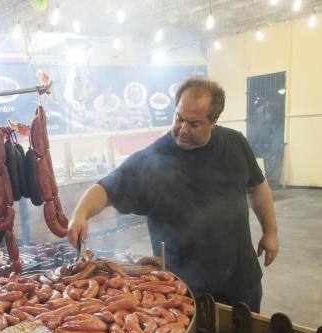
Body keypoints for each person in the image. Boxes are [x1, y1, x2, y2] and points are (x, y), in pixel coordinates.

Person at [67, 77, 279, 313]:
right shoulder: (154, 158)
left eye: (194, 123)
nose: (182, 129)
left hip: (240, 276)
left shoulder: (235, 143)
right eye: (179, 118)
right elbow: (106, 189)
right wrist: (80, 214)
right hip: (183, 288)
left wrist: (270, 232)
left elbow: (257, 187)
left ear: (214, 121)